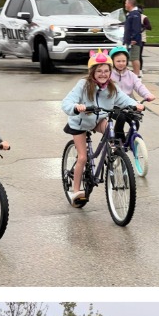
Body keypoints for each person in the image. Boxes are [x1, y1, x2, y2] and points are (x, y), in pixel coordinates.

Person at [62, 49, 144, 205]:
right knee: (83, 157)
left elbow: (124, 99)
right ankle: (76, 190)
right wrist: (76, 107)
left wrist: (136, 105)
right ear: (92, 72)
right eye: (99, 71)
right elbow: (66, 102)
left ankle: (112, 155)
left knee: (111, 130)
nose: (103, 74)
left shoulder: (112, 87)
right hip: (81, 122)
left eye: (107, 71)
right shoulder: (83, 85)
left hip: (98, 119)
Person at [108, 44, 154, 140]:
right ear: (112, 61)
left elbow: (139, 86)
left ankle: (130, 141)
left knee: (135, 122)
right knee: (121, 117)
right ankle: (118, 140)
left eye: (123, 61)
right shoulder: (109, 75)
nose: (121, 63)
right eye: (118, 61)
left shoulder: (131, 75)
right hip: (113, 105)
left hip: (128, 105)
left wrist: (147, 95)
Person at [123, 0, 143, 77]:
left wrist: (134, 38)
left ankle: (136, 74)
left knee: (134, 57)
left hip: (134, 40)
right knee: (131, 57)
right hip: (129, 40)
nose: (125, 5)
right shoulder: (131, 14)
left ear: (130, 4)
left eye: (126, 3)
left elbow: (136, 28)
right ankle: (134, 74)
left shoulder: (135, 14)